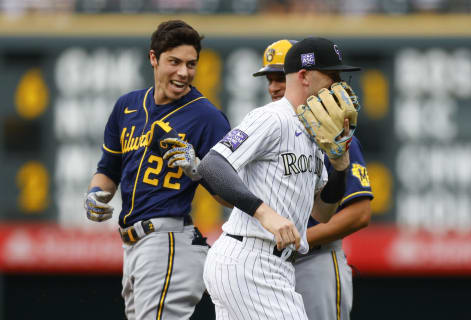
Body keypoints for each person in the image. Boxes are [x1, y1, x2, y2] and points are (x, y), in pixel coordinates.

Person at [197, 37, 354, 319]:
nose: (337, 84)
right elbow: (212, 164)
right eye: (331, 75)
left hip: (273, 266)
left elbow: (323, 212)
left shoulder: (315, 131)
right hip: (250, 260)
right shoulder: (272, 117)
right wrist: (264, 213)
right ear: (304, 76)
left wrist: (340, 167)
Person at [83, 20, 231, 320]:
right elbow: (108, 170)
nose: (183, 72)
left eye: (191, 64)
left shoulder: (207, 117)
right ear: (154, 58)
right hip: (133, 247)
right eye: (174, 62)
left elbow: (233, 196)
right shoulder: (128, 106)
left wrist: (198, 168)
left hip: (168, 241)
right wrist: (95, 194)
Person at [254, 39, 374, 319]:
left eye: (280, 77)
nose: (274, 86)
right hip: (270, 264)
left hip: (314, 260)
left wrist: (299, 240)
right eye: (269, 78)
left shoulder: (333, 133)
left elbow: (359, 213)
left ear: (301, 77)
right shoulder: (271, 128)